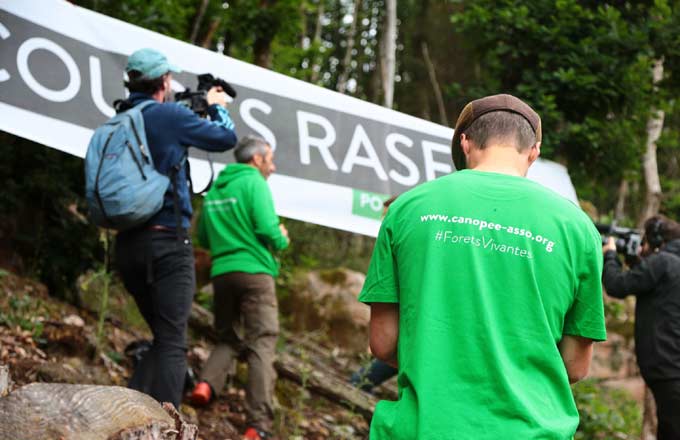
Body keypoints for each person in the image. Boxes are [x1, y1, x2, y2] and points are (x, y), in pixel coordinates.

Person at [359, 94, 606, 439]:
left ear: (465, 142)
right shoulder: (578, 229)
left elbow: (383, 344)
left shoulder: (408, 208)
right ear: (533, 151)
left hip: (423, 428)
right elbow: (575, 366)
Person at [114, 48, 238, 408]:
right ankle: (168, 428)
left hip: (127, 246)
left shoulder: (122, 116)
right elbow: (224, 138)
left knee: (163, 337)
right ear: (164, 81)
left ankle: (128, 415)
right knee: (171, 344)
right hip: (166, 243)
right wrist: (216, 105)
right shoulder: (167, 115)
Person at [190, 135, 289, 440]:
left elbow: (204, 237)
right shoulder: (254, 183)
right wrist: (282, 237)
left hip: (222, 273)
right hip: (255, 272)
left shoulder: (217, 188)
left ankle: (205, 384)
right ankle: (257, 426)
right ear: (257, 159)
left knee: (228, 337)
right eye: (269, 159)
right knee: (261, 342)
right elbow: (266, 227)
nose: (272, 167)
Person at [602, 215, 680, 440]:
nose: (642, 248)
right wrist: (636, 262)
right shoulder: (671, 264)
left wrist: (610, 256)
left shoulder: (663, 262)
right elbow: (653, 284)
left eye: (645, 243)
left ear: (657, 241)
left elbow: (617, 285)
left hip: (668, 369)